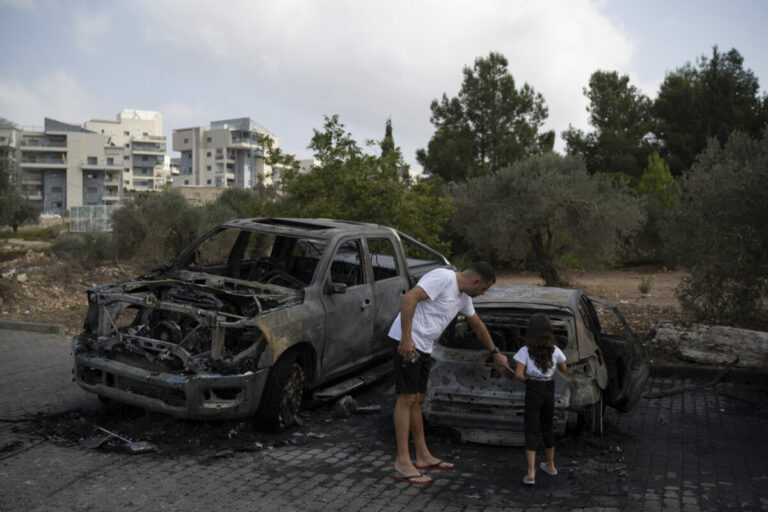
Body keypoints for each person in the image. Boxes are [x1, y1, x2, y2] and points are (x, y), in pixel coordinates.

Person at [389, 262, 513, 484]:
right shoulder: (443, 278)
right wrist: (406, 338)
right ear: (475, 282)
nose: (483, 293)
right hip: (407, 342)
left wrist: (495, 352)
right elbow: (409, 298)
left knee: (417, 399)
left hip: (424, 346)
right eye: (484, 288)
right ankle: (402, 461)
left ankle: (422, 456)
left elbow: (477, 325)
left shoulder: (464, 298)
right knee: (405, 399)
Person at [513, 313, 570, 485]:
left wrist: (529, 380)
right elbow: (564, 369)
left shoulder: (525, 351)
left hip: (533, 390)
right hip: (548, 389)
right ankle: (551, 465)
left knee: (532, 429)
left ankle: (531, 472)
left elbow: (518, 374)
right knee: (547, 427)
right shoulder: (555, 350)